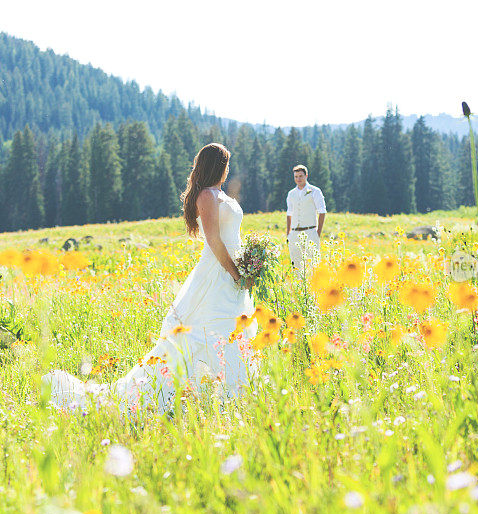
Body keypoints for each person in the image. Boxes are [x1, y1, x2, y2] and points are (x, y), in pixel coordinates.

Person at [42, 143, 258, 413]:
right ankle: (192, 393)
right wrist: (237, 273)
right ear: (218, 166)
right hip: (218, 274)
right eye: (226, 165)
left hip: (231, 276)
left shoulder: (219, 195)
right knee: (205, 331)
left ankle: (234, 393)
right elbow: (214, 240)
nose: (228, 170)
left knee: (231, 330)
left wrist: (250, 261)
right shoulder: (206, 196)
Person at [286, 164, 327, 269]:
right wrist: (288, 234)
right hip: (294, 233)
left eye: (300, 176)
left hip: (311, 231)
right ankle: (297, 286)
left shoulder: (315, 191)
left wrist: (317, 233)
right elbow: (289, 213)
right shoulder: (291, 194)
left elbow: (322, 211)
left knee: (313, 265)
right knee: (295, 265)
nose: (298, 179)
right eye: (296, 176)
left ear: (306, 176)